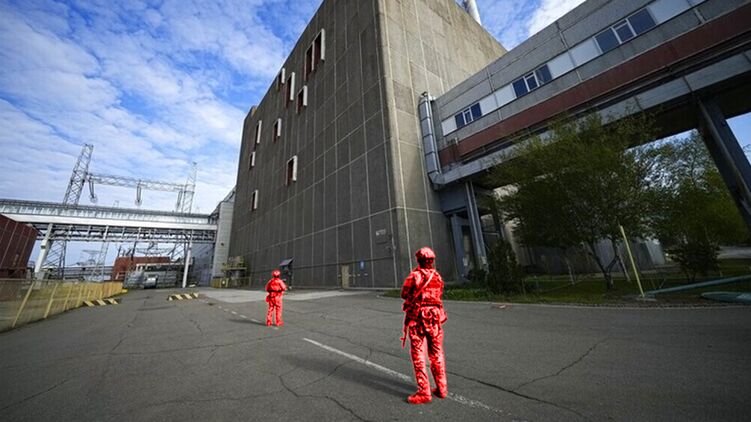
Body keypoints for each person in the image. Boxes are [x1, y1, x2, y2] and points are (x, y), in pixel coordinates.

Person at [400, 247, 448, 404]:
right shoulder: (437, 276)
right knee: (437, 353)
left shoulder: (414, 276)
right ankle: (441, 388)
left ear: (418, 260)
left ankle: (424, 392)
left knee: (419, 355)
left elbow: (404, 293)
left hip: (418, 319)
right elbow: (439, 293)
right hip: (435, 318)